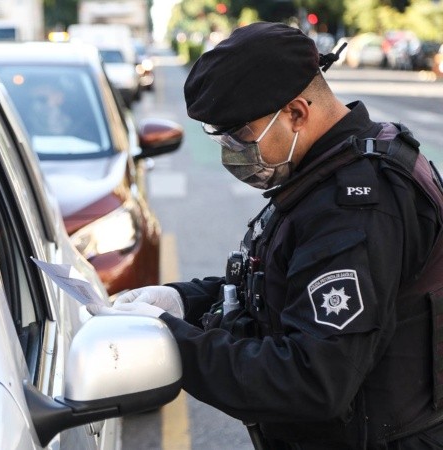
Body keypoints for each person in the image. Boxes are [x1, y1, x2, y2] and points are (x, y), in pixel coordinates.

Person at [88, 22, 443, 449]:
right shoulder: (331, 166)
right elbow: (286, 288)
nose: (230, 151)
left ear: (296, 113)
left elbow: (311, 382)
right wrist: (183, 302)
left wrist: (172, 340)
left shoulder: (357, 208)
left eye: (239, 134)